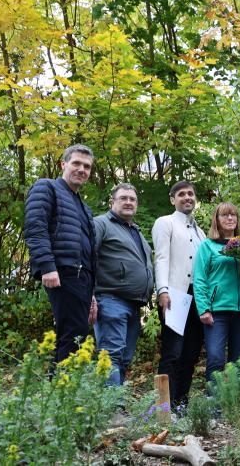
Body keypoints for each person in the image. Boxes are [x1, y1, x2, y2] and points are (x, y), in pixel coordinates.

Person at [24, 144, 98, 364]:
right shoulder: (46, 187)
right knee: (72, 335)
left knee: (77, 334)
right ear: (63, 164)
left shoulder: (84, 208)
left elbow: (88, 251)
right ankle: (62, 391)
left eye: (87, 166)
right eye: (76, 163)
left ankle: (62, 390)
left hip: (82, 278)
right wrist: (47, 266)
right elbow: (35, 228)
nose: (81, 169)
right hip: (62, 272)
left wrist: (91, 292)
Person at [93, 183, 154, 386]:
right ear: (112, 202)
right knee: (111, 353)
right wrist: (88, 294)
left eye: (132, 199)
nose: (129, 202)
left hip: (133, 304)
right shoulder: (101, 223)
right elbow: (86, 256)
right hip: (111, 299)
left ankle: (114, 402)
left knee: (125, 357)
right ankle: (111, 410)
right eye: (123, 198)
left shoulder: (135, 231)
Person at [152, 181, 206, 407]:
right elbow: (161, 257)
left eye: (191, 194)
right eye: (181, 194)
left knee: (191, 354)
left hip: (198, 299)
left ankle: (181, 403)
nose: (187, 197)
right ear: (172, 199)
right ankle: (164, 407)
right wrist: (162, 290)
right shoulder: (165, 223)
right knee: (172, 352)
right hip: (175, 295)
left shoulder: (200, 231)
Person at [193, 202, 240, 389]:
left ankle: (232, 403)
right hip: (216, 311)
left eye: (233, 215)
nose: (230, 219)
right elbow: (200, 278)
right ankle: (214, 403)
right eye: (225, 215)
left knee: (238, 359)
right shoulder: (208, 246)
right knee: (216, 357)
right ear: (216, 220)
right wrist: (203, 308)